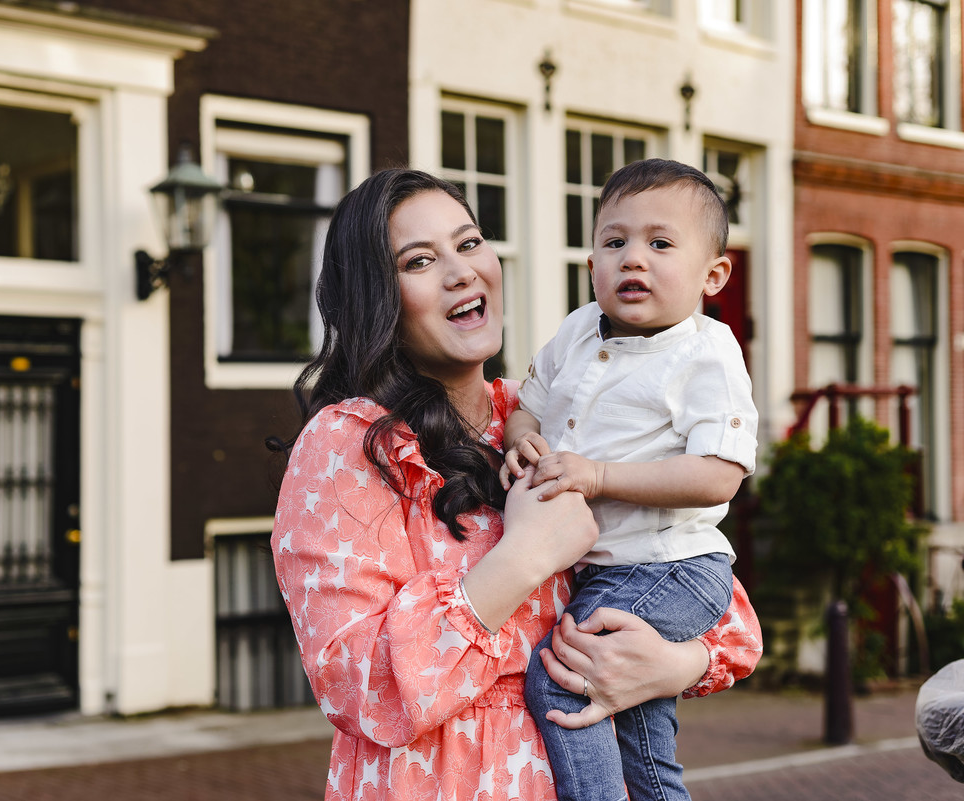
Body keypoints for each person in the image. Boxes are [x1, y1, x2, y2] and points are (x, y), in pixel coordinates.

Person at [270, 167, 762, 801]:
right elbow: (360, 686)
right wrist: (524, 557)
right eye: (420, 260)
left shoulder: (547, 417)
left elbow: (717, 604)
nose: (461, 272)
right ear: (375, 295)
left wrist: (670, 666)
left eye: (470, 243)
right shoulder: (349, 445)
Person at [503, 158, 758, 801]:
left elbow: (719, 475)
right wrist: (519, 443)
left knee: (564, 674)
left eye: (660, 243)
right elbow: (526, 405)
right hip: (611, 571)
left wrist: (598, 475)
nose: (633, 259)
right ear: (591, 265)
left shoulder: (708, 352)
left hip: (670, 565)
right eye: (614, 243)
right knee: (643, 742)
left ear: (713, 275)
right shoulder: (575, 332)